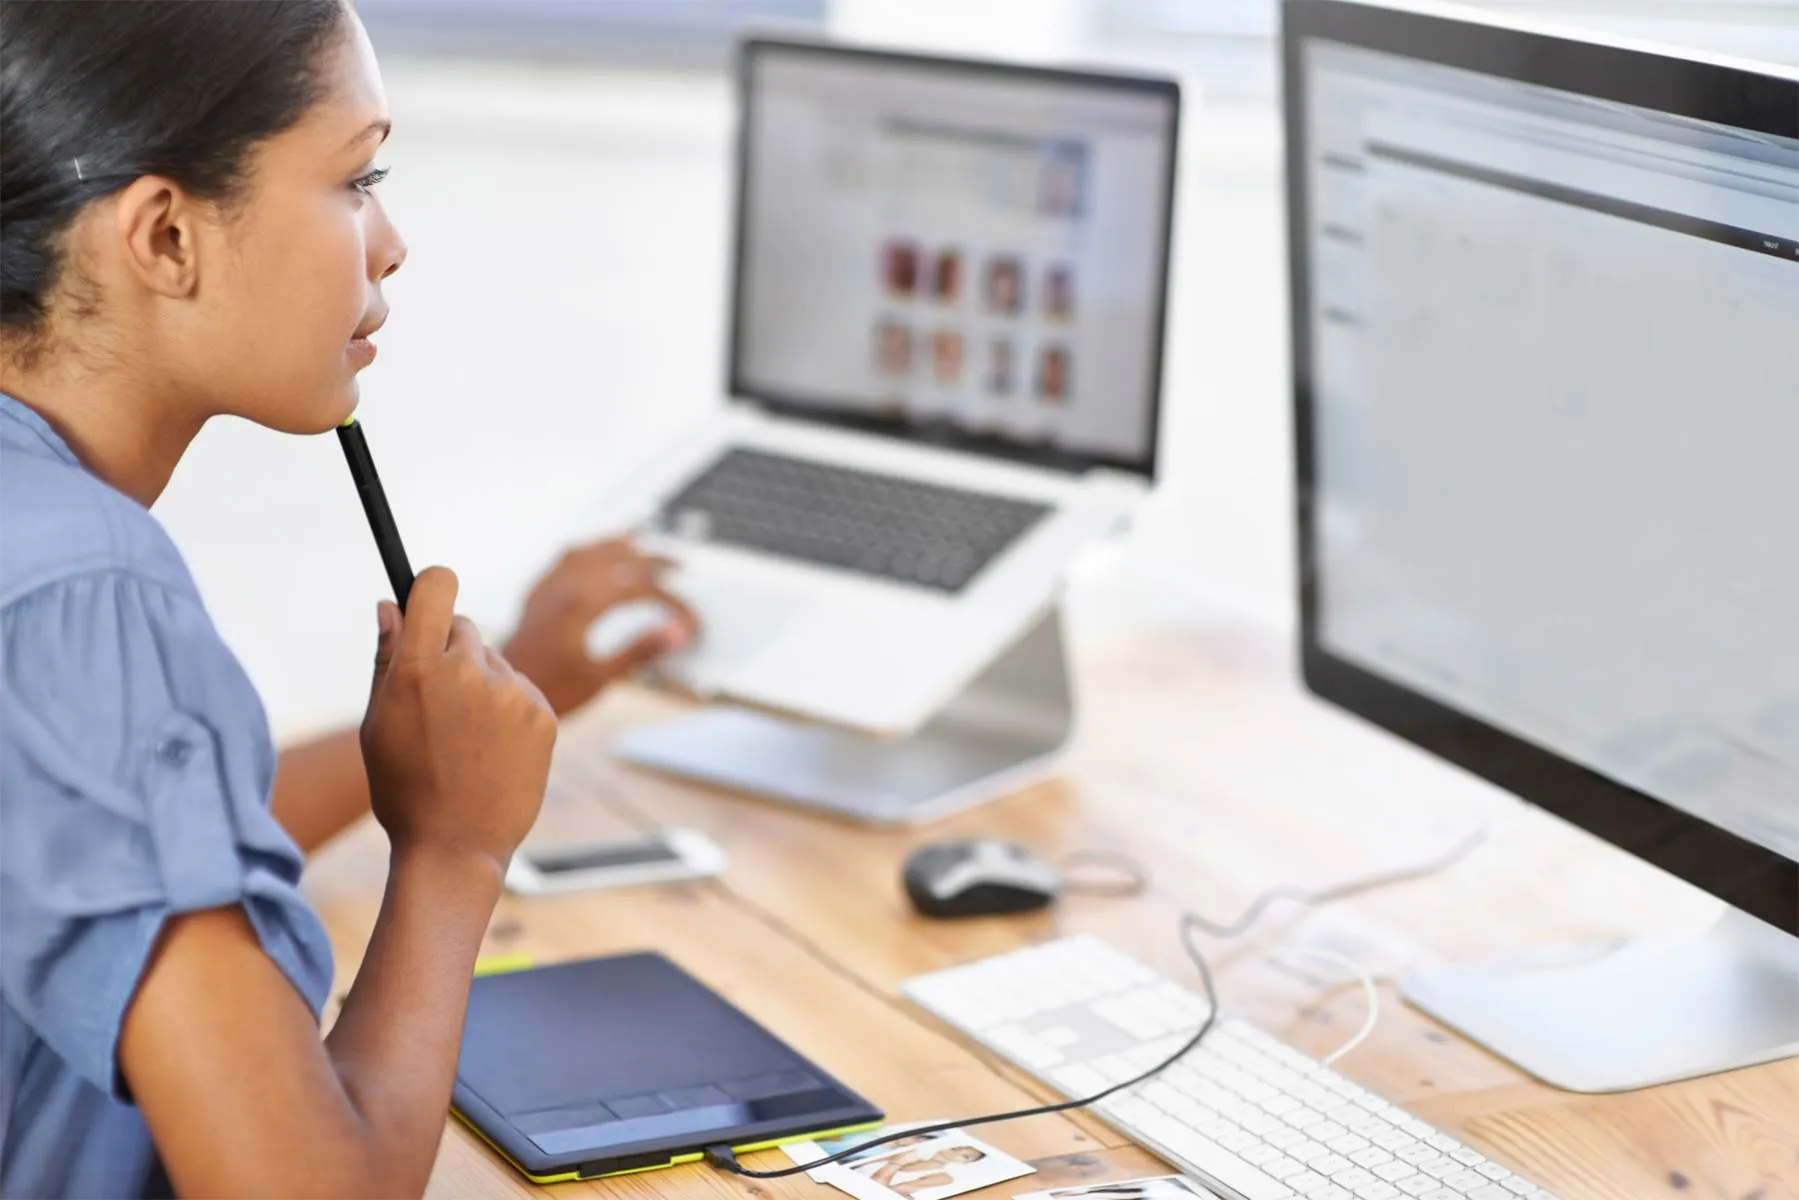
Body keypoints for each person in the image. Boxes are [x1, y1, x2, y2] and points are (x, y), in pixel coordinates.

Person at [0, 3, 695, 1197]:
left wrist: (484, 710)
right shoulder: (88, 588)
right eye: (357, 176)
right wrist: (452, 853)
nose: (390, 243)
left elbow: (82, 836)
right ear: (165, 237)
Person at [853, 1143, 988, 1198]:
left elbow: (876, 1193)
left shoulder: (942, 1177)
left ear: (965, 1163)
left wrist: (897, 1163)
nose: (954, 1154)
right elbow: (851, 1166)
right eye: (956, 1148)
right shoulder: (909, 1153)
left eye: (965, 1156)